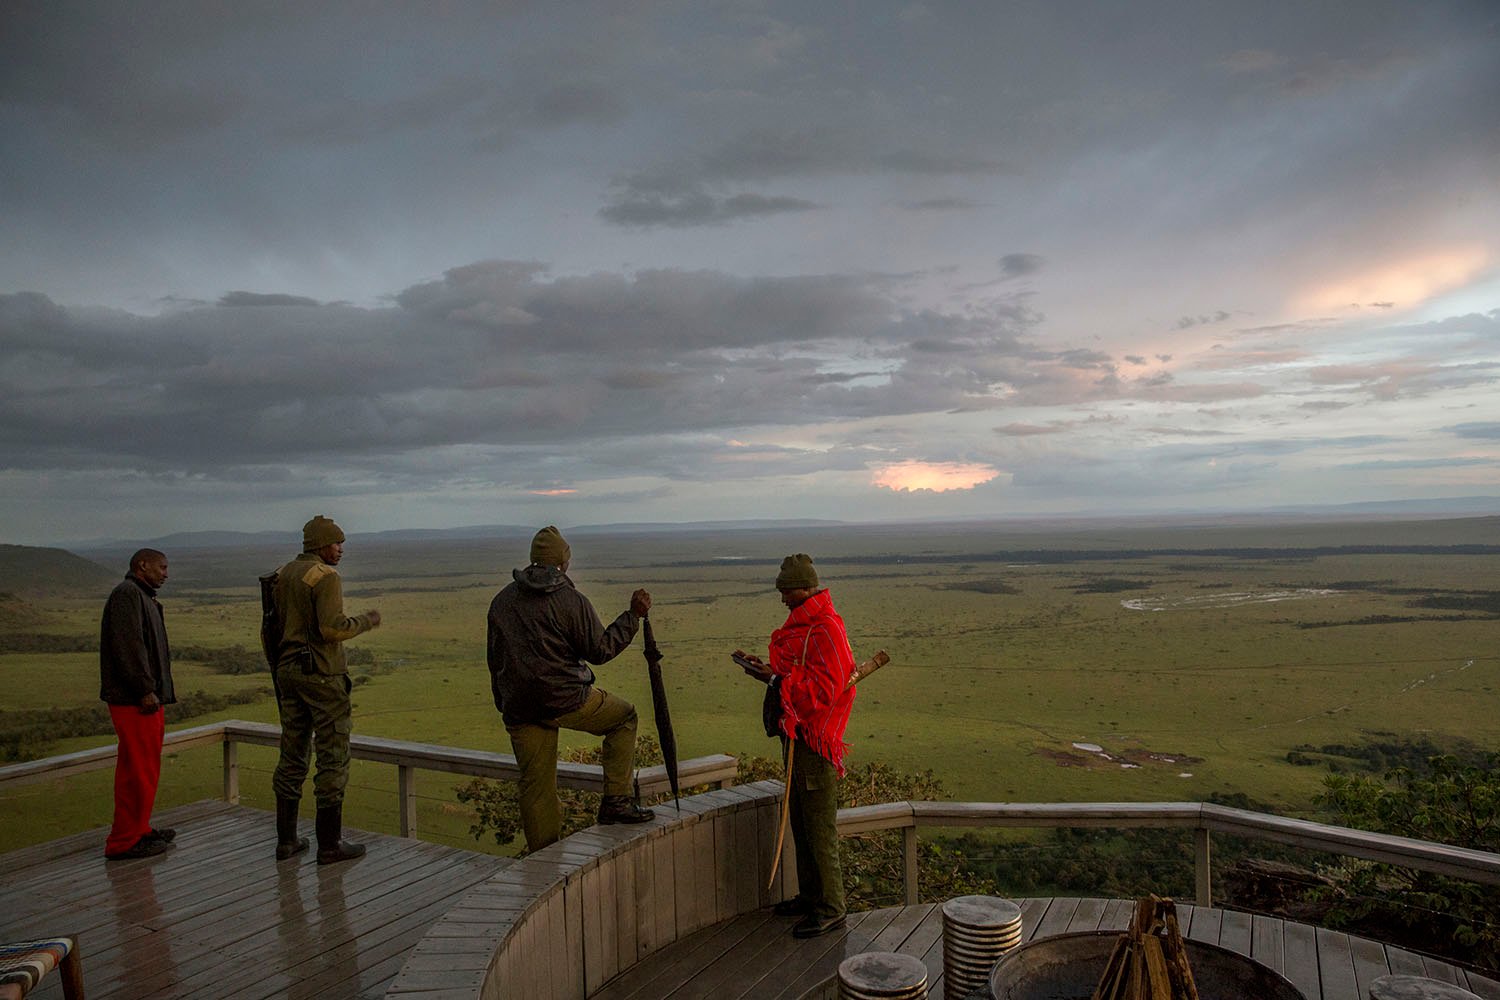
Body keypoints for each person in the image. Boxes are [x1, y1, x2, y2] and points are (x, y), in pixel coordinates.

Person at [486, 525, 655, 853]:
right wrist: (633, 616)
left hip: (520, 708)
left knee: (536, 788)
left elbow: (495, 659)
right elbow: (600, 650)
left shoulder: (502, 601)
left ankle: (543, 865)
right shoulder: (569, 600)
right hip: (566, 700)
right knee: (624, 718)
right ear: (564, 563)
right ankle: (616, 802)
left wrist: (505, 702)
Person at [733, 553, 856, 938]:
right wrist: (769, 675)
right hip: (798, 735)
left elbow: (824, 690)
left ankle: (832, 906)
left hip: (815, 741)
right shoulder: (807, 626)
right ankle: (810, 897)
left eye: (787, 591)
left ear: (805, 588)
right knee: (801, 824)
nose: (784, 599)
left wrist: (776, 682)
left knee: (819, 828)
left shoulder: (825, 630)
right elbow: (799, 676)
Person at [269, 515, 381, 864]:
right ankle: (330, 845)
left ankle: (286, 841)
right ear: (320, 545)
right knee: (333, 755)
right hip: (321, 674)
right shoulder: (325, 577)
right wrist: (367, 621)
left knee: (292, 752)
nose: (340, 550)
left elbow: (271, 626)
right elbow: (332, 629)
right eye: (336, 543)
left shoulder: (283, 573)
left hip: (288, 672)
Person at [100, 548, 178, 860]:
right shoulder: (128, 595)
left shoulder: (141, 596)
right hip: (135, 700)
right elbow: (127, 645)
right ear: (141, 565)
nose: (166, 573)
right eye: (162, 567)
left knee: (145, 768)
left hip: (145, 699)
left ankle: (139, 829)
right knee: (136, 770)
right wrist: (145, 689)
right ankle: (122, 842)